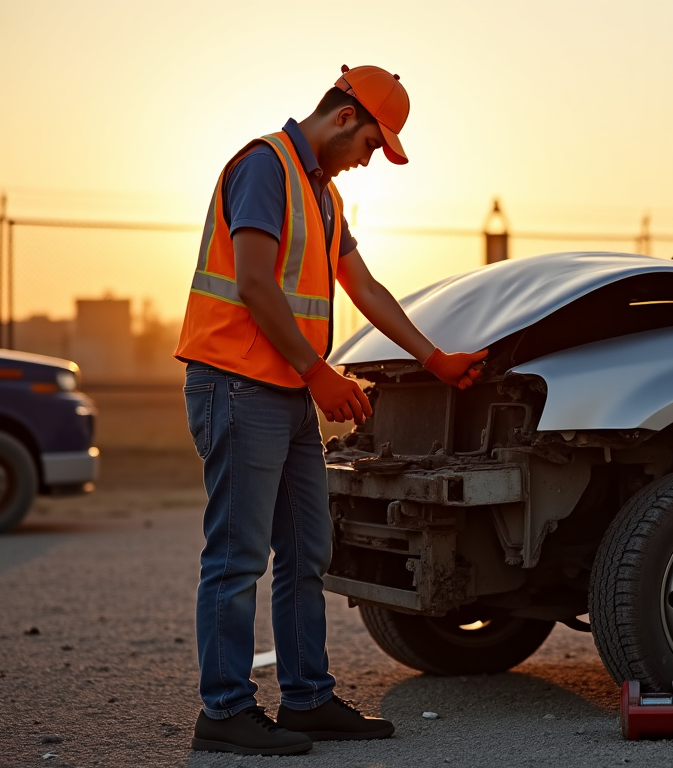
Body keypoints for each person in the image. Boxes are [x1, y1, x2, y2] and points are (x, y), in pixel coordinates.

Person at [174, 64, 488, 756]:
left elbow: (363, 285)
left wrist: (433, 358)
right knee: (236, 556)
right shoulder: (265, 167)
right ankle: (224, 710)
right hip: (237, 385)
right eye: (373, 146)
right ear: (345, 117)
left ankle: (307, 700)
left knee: (307, 550)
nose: (369, 161)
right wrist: (319, 374)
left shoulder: (323, 196)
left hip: (283, 392)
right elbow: (255, 284)